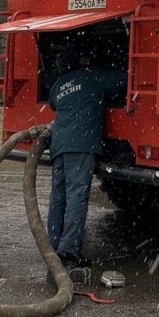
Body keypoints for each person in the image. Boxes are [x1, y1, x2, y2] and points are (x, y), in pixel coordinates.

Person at [46, 42, 126, 269]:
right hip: (81, 147)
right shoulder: (95, 77)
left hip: (59, 146)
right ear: (85, 60)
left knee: (58, 197)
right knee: (76, 197)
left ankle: (52, 246)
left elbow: (53, 103)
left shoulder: (59, 84)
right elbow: (124, 81)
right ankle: (69, 249)